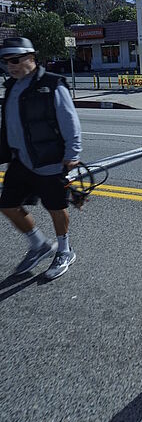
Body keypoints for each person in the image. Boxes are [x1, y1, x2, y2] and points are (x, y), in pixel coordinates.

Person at [0, 37, 81, 280]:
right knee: (7, 205)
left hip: (50, 160)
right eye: (5, 62)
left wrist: (72, 155)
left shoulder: (52, 84)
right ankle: (39, 245)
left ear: (31, 58)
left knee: (56, 208)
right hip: (21, 161)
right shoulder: (12, 86)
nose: (10, 66)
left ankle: (65, 251)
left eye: (15, 60)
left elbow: (70, 123)